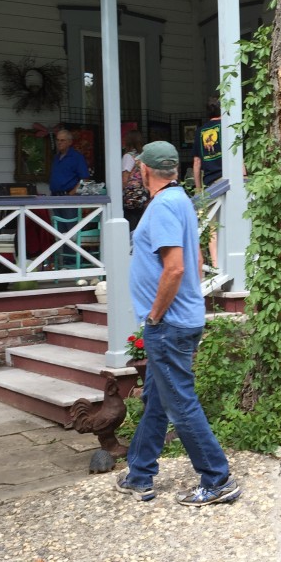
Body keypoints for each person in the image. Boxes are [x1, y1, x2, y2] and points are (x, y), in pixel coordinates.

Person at [116, 141, 241, 507]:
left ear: (144, 170)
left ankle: (218, 479)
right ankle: (139, 474)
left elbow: (175, 268)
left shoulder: (163, 206)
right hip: (180, 319)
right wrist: (189, 302)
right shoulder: (181, 200)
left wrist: (155, 316)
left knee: (181, 404)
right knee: (158, 398)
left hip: (168, 324)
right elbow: (197, 259)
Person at [193, 96, 223, 192]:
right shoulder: (226, 127)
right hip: (227, 179)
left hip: (210, 183)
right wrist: (244, 176)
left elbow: (197, 162)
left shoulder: (199, 131)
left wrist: (198, 190)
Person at [49, 129, 90, 196]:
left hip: (70, 197)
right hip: (54, 196)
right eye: (57, 140)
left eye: (62, 140)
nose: (59, 142)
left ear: (70, 142)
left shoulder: (77, 157)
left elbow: (85, 180)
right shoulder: (56, 157)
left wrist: (70, 194)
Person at [121, 129, 147, 231]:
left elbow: (125, 177)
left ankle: (130, 240)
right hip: (143, 192)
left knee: (130, 220)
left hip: (131, 193)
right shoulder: (143, 156)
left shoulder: (128, 156)